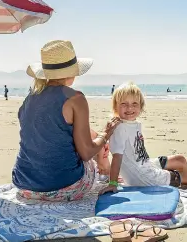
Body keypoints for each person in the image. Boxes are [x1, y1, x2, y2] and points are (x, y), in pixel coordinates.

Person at [13, 40, 120, 201]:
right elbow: (86, 153)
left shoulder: (30, 98)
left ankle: (105, 168)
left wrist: (97, 136)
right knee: (97, 144)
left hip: (24, 185)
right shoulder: (75, 98)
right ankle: (106, 172)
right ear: (72, 71)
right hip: (64, 186)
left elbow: (50, 130)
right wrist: (106, 133)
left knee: (92, 136)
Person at [99, 83, 187, 194]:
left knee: (180, 159)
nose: (129, 108)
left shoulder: (132, 123)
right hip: (144, 178)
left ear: (141, 107)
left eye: (134, 104)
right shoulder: (119, 128)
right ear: (116, 106)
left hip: (145, 164)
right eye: (124, 104)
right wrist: (113, 183)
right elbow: (117, 157)